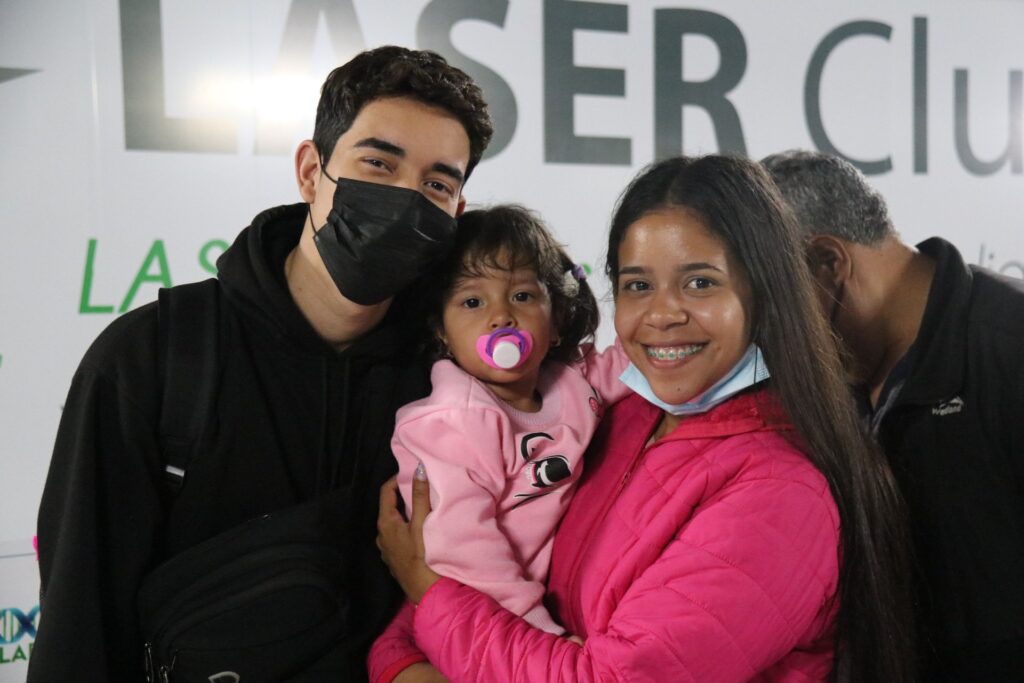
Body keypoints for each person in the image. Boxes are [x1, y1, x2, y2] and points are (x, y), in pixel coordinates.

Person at [30, 46, 492, 681]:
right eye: (378, 163)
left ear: (456, 213)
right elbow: (78, 626)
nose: (405, 199)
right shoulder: (155, 357)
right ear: (310, 171)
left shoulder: (454, 379)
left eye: (436, 184)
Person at [375, 155, 915, 682]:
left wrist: (432, 599)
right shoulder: (623, 413)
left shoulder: (781, 494)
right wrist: (405, 654)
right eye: (638, 285)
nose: (662, 314)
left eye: (700, 282)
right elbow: (454, 580)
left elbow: (442, 594)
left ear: (766, 294)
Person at [763, 149, 1024, 682]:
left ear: (829, 263)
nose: (761, 335)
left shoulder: (1012, 349)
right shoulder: (821, 377)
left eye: (768, 305)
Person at [368, 205, 629, 678]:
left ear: (556, 321)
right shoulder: (453, 422)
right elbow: (462, 548)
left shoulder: (572, 382)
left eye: (523, 295)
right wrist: (535, 631)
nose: (501, 316)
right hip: (457, 614)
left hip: (516, 612)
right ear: (442, 332)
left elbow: (632, 362)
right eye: (472, 302)